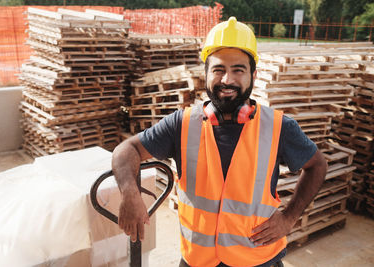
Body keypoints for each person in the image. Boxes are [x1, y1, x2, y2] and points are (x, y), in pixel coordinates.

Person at [112, 17, 328, 267]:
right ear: (206, 73)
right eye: (218, 69)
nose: (227, 80)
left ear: (253, 75)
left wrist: (289, 218)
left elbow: (317, 166)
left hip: (258, 261)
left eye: (238, 69)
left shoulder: (279, 127)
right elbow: (126, 149)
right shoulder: (180, 124)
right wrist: (130, 193)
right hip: (198, 261)